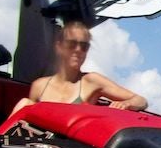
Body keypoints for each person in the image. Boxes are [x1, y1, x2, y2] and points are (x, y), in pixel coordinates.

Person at [9, 19, 149, 119]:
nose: (78, 50)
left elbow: (141, 100)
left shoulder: (92, 81)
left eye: (84, 46)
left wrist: (126, 104)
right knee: (24, 104)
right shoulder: (39, 86)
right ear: (59, 46)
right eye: (72, 44)